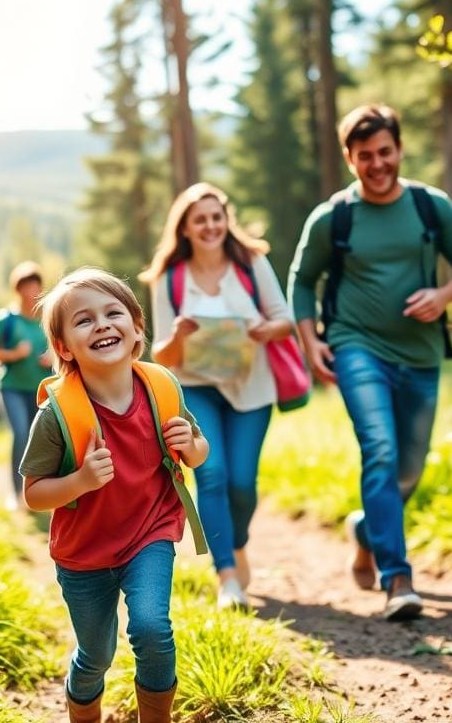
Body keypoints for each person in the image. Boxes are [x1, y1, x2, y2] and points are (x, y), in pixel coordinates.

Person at [287, 103, 452, 621]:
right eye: (364, 156)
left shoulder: (430, 206)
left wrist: (444, 296)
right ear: (349, 158)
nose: (377, 164)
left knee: (408, 469)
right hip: (356, 346)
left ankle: (365, 530)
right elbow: (303, 280)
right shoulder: (335, 216)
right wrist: (311, 343)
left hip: (420, 355)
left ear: (399, 149)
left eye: (385, 152)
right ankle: (397, 578)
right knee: (379, 448)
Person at [19, 267, 208, 723]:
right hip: (84, 552)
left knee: (151, 628)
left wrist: (192, 446)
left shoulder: (161, 387)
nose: (101, 324)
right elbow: (34, 494)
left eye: (112, 313)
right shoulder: (56, 414)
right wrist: (80, 481)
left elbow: (198, 453)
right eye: (83, 320)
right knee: (96, 655)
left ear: (137, 329)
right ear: (64, 348)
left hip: (150, 531)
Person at [140, 182, 294, 609]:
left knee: (243, 483)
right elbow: (163, 356)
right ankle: (226, 576)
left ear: (227, 220)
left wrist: (266, 329)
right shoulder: (169, 279)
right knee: (212, 474)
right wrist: (178, 334)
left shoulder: (252, 263)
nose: (210, 226)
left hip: (252, 389)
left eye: (216, 216)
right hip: (196, 388)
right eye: (199, 220)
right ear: (185, 229)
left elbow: (284, 319)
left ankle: (237, 539)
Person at [0, 261, 52, 510]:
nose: (30, 291)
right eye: (25, 286)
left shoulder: (47, 319)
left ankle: (38, 494)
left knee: (39, 440)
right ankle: (16, 494)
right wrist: (14, 354)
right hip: (10, 388)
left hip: (40, 390)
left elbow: (62, 347)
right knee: (21, 433)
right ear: (17, 289)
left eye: (34, 285)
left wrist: (52, 358)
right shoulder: (5, 319)